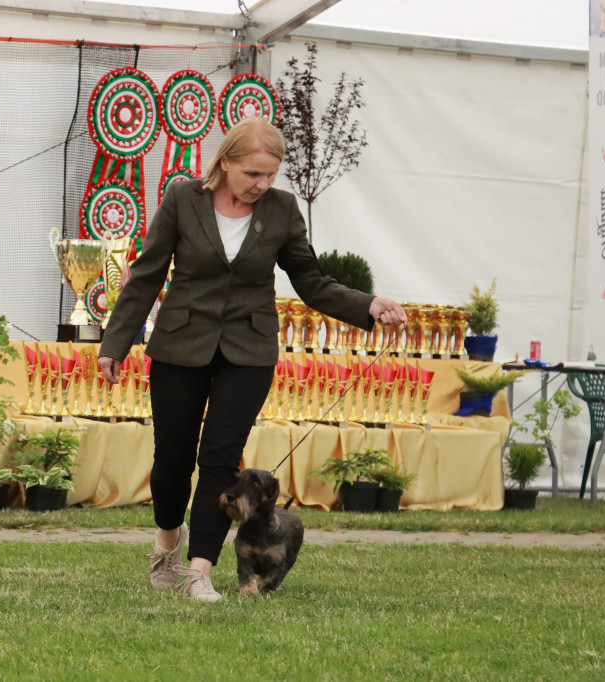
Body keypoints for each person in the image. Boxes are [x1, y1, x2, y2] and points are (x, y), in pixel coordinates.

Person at [97, 116, 406, 602]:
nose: (263, 185)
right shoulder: (183, 198)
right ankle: (165, 546)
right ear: (226, 163)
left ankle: (200, 570)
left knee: (220, 461)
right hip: (180, 344)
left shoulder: (282, 210)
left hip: (249, 349)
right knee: (172, 461)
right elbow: (147, 273)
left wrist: (367, 305)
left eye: (270, 176)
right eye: (253, 175)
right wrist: (115, 342)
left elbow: (311, 280)